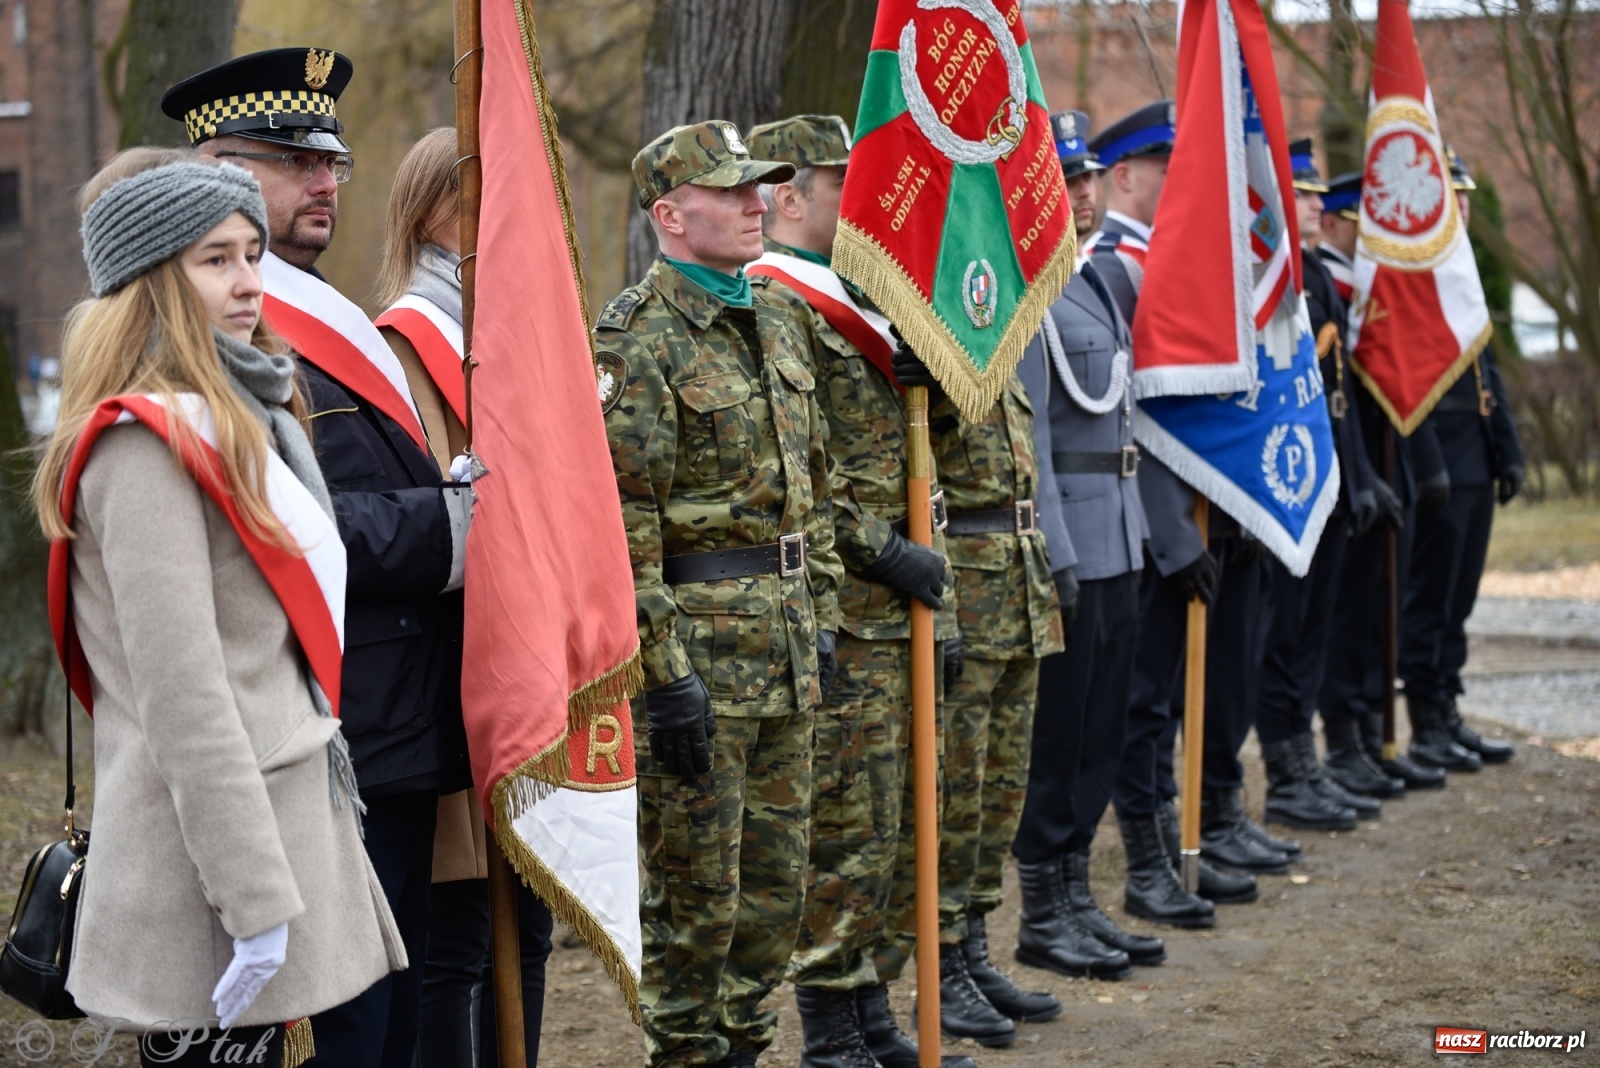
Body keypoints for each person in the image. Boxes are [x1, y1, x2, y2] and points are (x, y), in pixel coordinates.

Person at [37, 160, 405, 1067]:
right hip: (219, 879)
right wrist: (256, 908)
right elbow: (185, 703)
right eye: (216, 260)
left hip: (295, 831)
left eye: (252, 252)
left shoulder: (249, 412)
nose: (250, 281)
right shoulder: (144, 447)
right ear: (153, 280)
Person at [163, 49, 474, 1068]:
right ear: (217, 169)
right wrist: (451, 528)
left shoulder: (321, 315)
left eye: (331, 160)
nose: (327, 181)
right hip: (312, 735)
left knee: (388, 1009)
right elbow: (283, 525)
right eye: (293, 162)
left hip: (391, 725)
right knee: (333, 1026)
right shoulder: (207, 332)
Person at [596, 120, 842, 1068]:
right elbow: (626, 525)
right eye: (732, 191)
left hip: (784, 653)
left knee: (776, 897)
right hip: (700, 662)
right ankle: (688, 1055)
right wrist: (664, 676)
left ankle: (745, 1048)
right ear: (669, 214)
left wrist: (816, 611)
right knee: (698, 900)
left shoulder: (777, 317)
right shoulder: (634, 341)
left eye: (760, 188)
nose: (754, 205)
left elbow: (810, 488)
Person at [743, 115, 969, 1068]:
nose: (865, 201)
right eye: (844, 184)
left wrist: (938, 389)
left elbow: (913, 449)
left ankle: (873, 1008)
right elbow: (791, 473)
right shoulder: (774, 303)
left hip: (899, 604)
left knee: (890, 817)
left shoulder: (858, 301)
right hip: (844, 603)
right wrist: (881, 552)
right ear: (787, 198)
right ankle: (832, 1028)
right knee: (841, 821)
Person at [372, 126, 556, 1068]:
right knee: (459, 943)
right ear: (434, 208)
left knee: (526, 928)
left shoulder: (515, 331)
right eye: (489, 194)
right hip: (456, 667)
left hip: (527, 659)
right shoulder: (409, 341)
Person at [1089, 103, 1258, 929]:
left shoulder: (1173, 263)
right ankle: (1149, 860)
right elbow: (1135, 420)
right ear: (1123, 173)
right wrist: (1175, 530)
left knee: (1177, 694)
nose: (1183, 180)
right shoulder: (1116, 269)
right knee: (1145, 702)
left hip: (1196, 517)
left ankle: (1182, 843)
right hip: (1151, 525)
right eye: (1165, 165)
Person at [1012, 110, 1166, 982]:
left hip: (1122, 529)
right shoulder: (1033, 284)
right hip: (1072, 535)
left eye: (1088, 180)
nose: (1079, 195)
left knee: (1102, 729)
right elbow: (1030, 435)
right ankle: (1043, 911)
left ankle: (1076, 898)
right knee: (1058, 737)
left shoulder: (1100, 281)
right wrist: (1056, 550)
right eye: (1064, 182)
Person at [1252, 140, 1384, 832]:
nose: (1315, 205)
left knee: (1312, 629)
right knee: (1283, 628)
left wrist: (1358, 479)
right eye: (1302, 194)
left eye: (1313, 195)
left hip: (1328, 472)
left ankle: (1306, 764)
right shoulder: (1265, 273)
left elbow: (1338, 397)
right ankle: (1284, 772)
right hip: (1286, 476)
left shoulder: (1318, 279)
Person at [1315, 174, 1449, 795]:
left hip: (1374, 467)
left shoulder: (1358, 286)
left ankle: (1370, 730)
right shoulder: (1328, 283)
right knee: (1345, 614)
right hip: (1348, 470)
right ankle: (1346, 736)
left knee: (1375, 610)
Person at [1398, 147, 1524, 770]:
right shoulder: (1413, 279)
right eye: (1453, 198)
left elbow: (1486, 372)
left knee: (1461, 599)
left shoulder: (1459, 273)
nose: (1465, 208)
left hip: (1474, 453)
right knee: (1431, 598)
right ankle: (1425, 721)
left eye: (1467, 198)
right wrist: (1425, 462)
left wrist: (1508, 451)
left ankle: (1448, 708)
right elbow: (1403, 380)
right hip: (1439, 458)